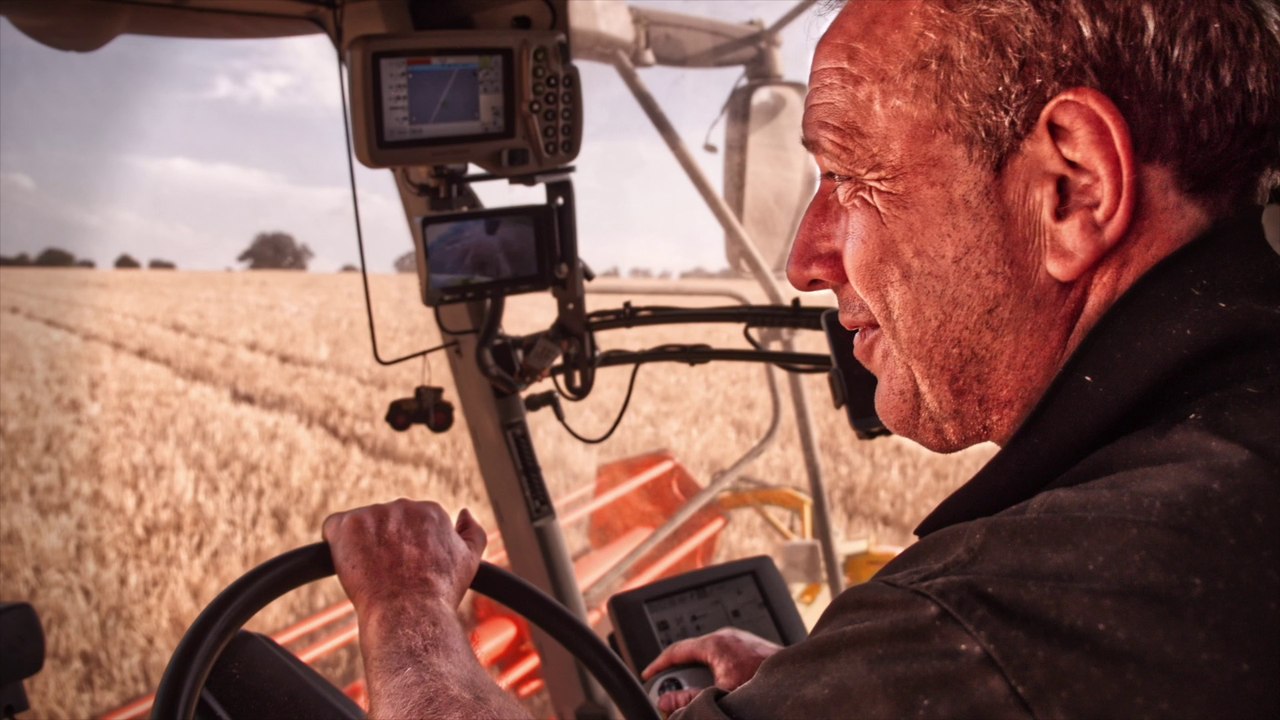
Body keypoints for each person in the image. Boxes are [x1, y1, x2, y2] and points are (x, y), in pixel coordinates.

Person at [323, 0, 1280, 717]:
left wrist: (407, 608)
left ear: (1071, 188)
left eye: (851, 179)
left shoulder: (995, 625)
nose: (806, 259)